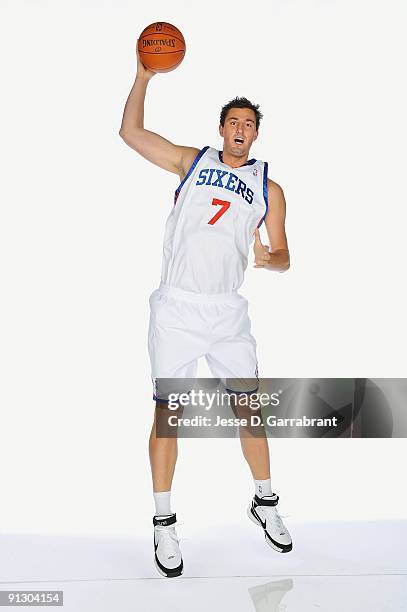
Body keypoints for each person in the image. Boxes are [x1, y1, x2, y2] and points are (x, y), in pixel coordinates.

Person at [119, 49, 292, 578]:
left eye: (249, 124)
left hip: (227, 314)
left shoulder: (269, 187)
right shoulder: (192, 162)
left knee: (249, 411)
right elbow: (130, 133)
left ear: (256, 136)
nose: (241, 130)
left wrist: (271, 258)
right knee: (170, 416)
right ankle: (164, 522)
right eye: (233, 122)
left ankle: (264, 502)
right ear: (221, 129)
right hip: (177, 307)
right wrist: (143, 77)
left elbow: (285, 255)